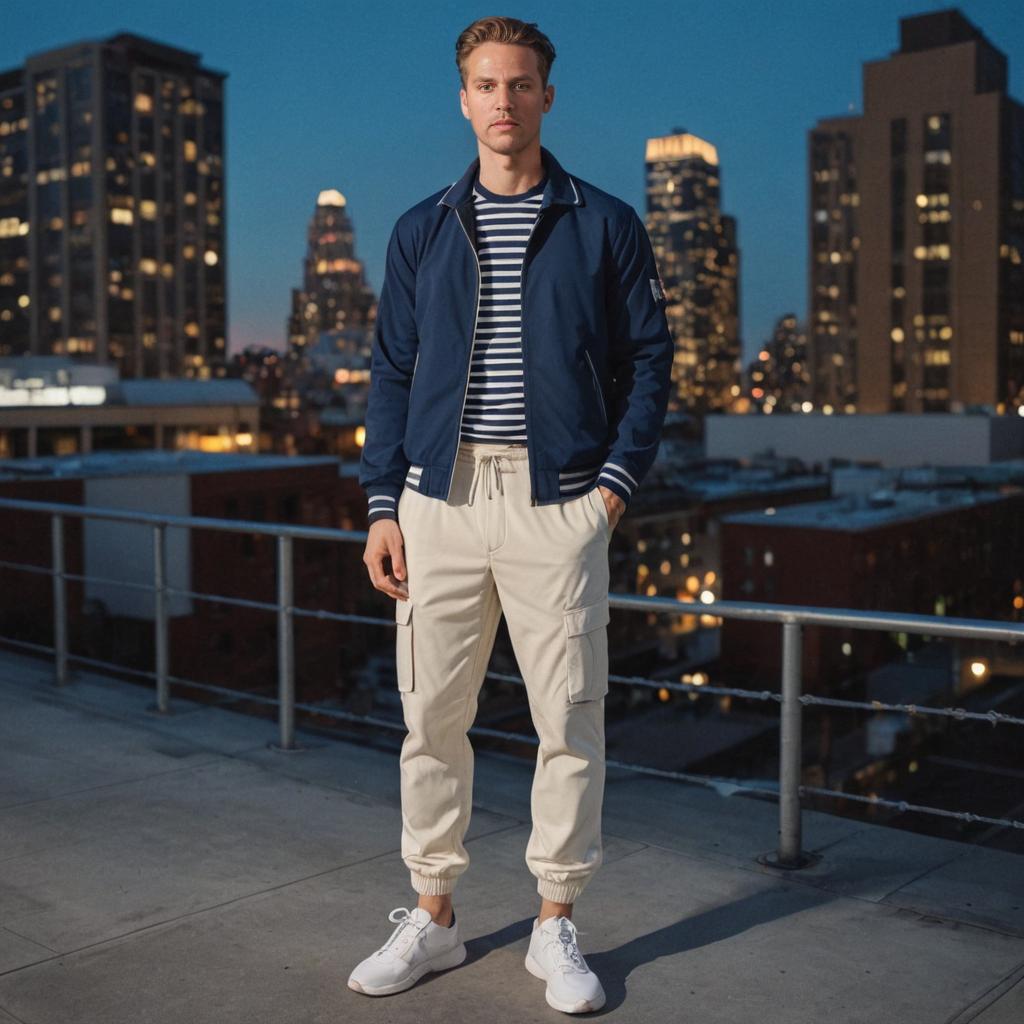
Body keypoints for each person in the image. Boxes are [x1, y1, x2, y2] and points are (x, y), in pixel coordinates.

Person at [349, 14, 672, 1015]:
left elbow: (650, 360)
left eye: (520, 83)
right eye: (485, 84)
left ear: (546, 96)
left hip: (556, 499)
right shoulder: (421, 228)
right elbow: (394, 371)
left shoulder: (604, 221)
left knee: (568, 719)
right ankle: (433, 919)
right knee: (429, 720)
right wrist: (380, 501)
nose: (502, 99)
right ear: (463, 98)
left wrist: (609, 490)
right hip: (435, 499)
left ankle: (553, 924)